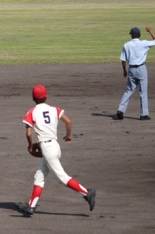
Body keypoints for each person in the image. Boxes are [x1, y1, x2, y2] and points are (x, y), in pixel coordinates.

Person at [16, 84, 96, 217]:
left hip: (47, 149)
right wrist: (68, 135)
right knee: (39, 177)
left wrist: (30, 145)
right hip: (55, 146)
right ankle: (31, 206)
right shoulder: (54, 109)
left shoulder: (32, 112)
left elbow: (29, 133)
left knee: (62, 177)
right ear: (46, 96)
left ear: (33, 98)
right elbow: (68, 121)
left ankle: (87, 193)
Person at [116, 26, 155, 120]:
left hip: (131, 69)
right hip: (141, 68)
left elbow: (123, 60)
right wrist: (150, 31)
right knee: (143, 91)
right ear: (139, 35)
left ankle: (120, 110)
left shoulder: (127, 45)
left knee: (129, 90)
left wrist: (124, 71)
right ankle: (144, 114)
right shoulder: (144, 43)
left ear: (131, 35)